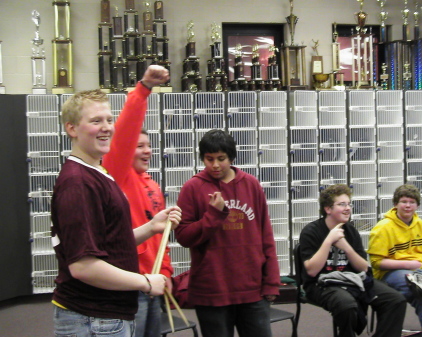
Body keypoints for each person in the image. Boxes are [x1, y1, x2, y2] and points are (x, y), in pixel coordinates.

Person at [51, 82, 181, 337]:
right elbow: (83, 266)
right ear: (72, 128)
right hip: (92, 316)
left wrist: (151, 226)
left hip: (107, 315)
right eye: (96, 121)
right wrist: (144, 282)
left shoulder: (98, 173)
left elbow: (107, 243)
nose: (107, 127)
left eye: (109, 120)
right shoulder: (78, 183)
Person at [174, 129, 280, 337]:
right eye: (209, 159)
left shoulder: (251, 185)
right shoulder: (192, 187)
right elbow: (184, 236)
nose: (215, 165)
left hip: (252, 289)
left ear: (231, 157)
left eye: (221, 159)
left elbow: (266, 235)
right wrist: (213, 214)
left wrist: (272, 281)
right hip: (212, 290)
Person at [102, 65, 171, 337]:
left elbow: (160, 239)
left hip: (153, 283)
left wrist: (166, 274)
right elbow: (124, 133)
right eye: (138, 146)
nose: (147, 151)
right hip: (132, 286)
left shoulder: (152, 184)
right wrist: (142, 90)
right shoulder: (119, 176)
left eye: (148, 145)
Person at [299, 184, 406, 337]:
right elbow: (312, 270)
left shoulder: (350, 230)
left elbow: (363, 268)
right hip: (321, 283)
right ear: (328, 209)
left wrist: (347, 248)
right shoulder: (311, 231)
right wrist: (328, 241)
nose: (348, 208)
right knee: (347, 305)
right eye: (342, 204)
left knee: (396, 300)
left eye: (349, 204)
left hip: (352, 278)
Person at [368, 184, 422, 337]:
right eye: (404, 202)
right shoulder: (383, 228)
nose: (407, 206)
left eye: (412, 202)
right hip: (392, 272)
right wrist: (407, 264)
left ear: (417, 206)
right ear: (395, 204)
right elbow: (376, 262)